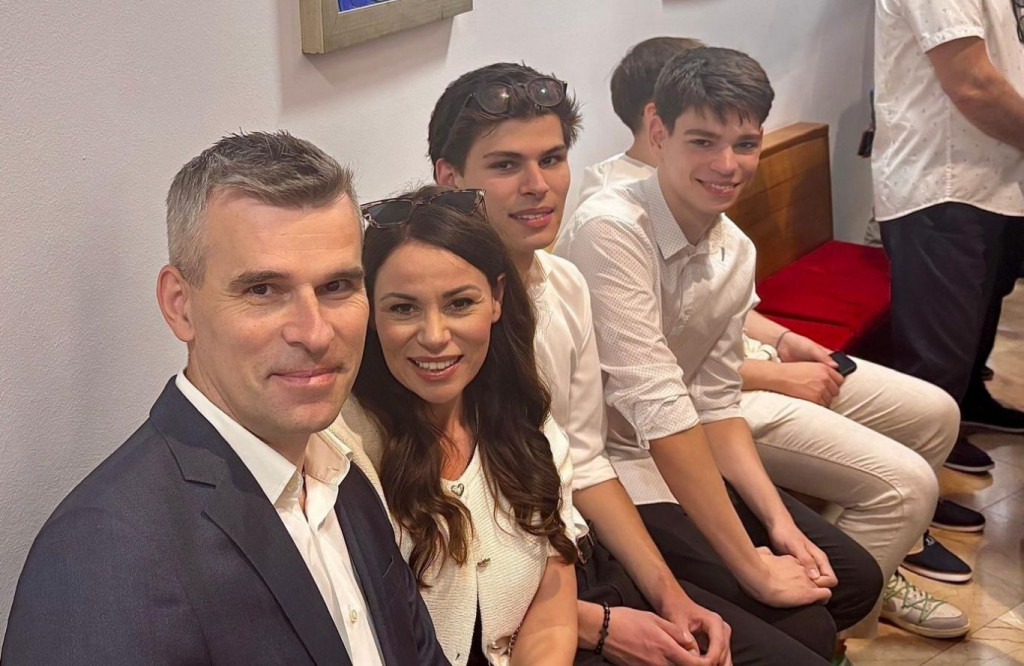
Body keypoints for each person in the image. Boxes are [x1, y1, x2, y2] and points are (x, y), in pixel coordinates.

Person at [427, 60, 849, 665]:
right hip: (512, 585)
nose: (537, 185)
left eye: (551, 159)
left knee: (807, 626)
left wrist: (670, 597)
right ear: (449, 179)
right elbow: (447, 535)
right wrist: (597, 623)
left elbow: (586, 459)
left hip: (576, 543)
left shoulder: (563, 284)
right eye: (505, 165)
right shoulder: (438, 323)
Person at [577, 36, 974, 638]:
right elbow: (658, 407)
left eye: (745, 145)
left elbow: (715, 403)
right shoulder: (611, 228)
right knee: (804, 616)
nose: (727, 165)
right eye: (702, 142)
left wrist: (777, 521)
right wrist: (750, 563)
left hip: (682, 452)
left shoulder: (734, 249)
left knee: (851, 578)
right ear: (657, 133)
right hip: (611, 468)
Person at [2, 132, 448, 665]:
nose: (315, 333)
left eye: (336, 287)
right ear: (180, 305)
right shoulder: (104, 554)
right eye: (263, 290)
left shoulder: (342, 478)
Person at [323, 186, 579, 666]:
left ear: (497, 297)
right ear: (370, 313)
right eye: (404, 308)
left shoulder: (526, 423)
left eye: (460, 303)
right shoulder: (338, 450)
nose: (435, 336)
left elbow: (552, 613)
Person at [873, 0, 1024, 469]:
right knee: (939, 344)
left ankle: (968, 404)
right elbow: (972, 85)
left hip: (995, 177)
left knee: (978, 317)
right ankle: (922, 454)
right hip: (941, 180)